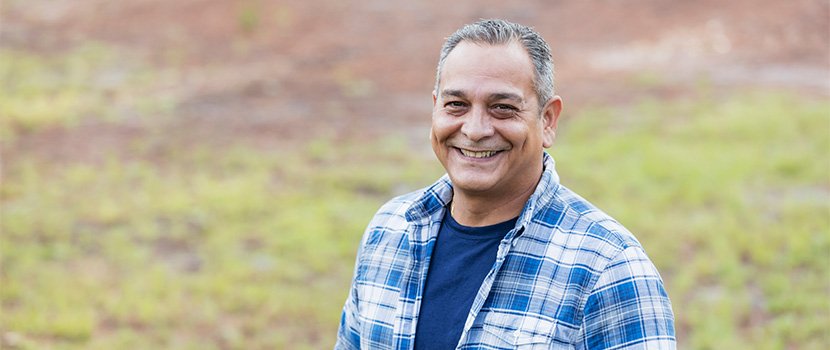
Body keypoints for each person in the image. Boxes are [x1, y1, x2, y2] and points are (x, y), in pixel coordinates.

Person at [336, 19, 675, 349]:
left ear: (548, 120)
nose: (475, 129)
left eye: (502, 108)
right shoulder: (389, 230)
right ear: (435, 108)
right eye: (457, 105)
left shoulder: (608, 266)